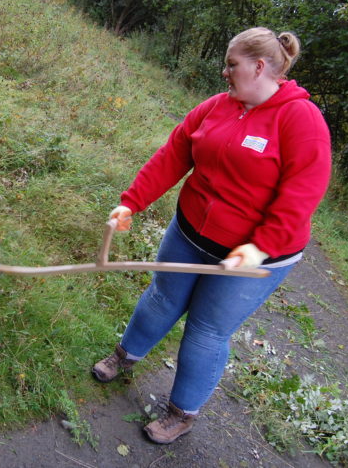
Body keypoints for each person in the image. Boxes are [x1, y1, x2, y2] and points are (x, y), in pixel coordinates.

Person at [91, 27, 331, 444]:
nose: (225, 72)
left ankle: (181, 413)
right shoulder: (216, 107)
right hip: (190, 232)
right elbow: (173, 155)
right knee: (162, 297)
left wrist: (260, 248)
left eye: (232, 64)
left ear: (259, 67)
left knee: (206, 329)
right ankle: (125, 357)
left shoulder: (300, 119)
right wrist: (131, 202)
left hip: (256, 253)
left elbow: (301, 195)